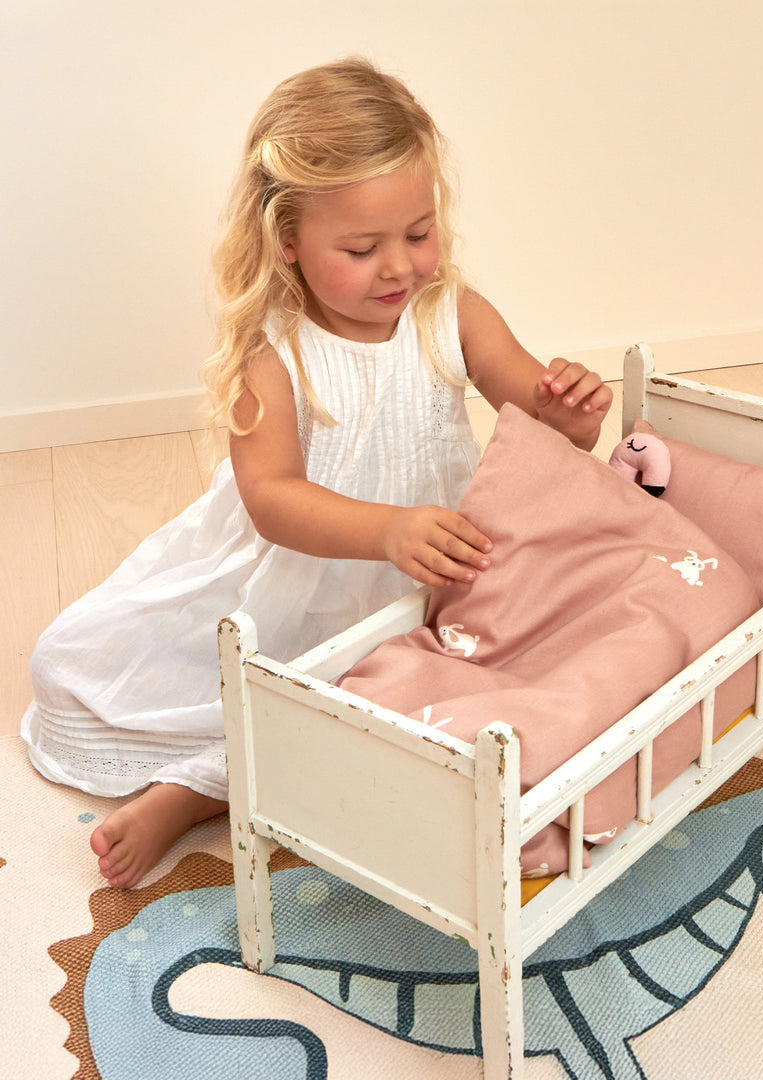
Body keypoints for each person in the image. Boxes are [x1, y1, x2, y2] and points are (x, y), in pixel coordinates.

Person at [22, 58, 612, 889]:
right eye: (363, 247)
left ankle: (201, 788)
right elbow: (272, 500)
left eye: (419, 231)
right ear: (288, 240)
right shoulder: (276, 351)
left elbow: (539, 419)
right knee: (80, 663)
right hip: (296, 580)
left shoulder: (452, 313)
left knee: (397, 708)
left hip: (432, 579)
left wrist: (573, 413)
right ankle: (193, 790)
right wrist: (387, 529)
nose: (402, 267)